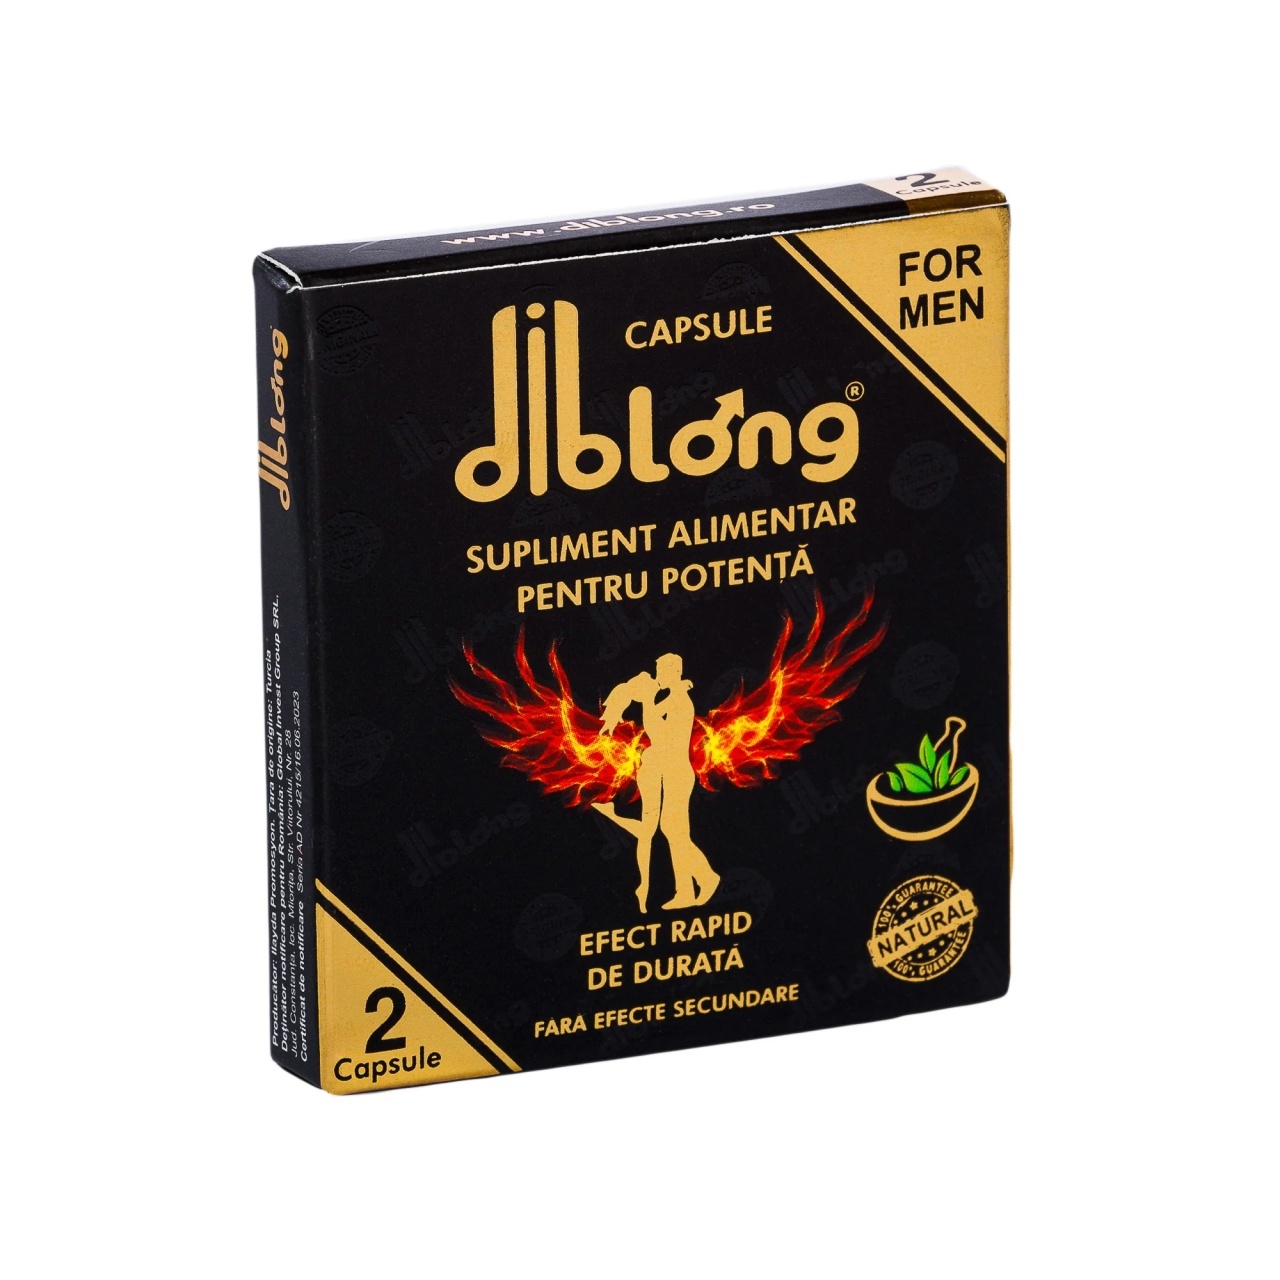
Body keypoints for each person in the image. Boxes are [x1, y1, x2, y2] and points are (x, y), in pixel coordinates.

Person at [593, 653, 720, 913]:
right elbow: (652, 719)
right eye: (657, 670)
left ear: (674, 672)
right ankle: (691, 885)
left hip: (677, 772)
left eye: (661, 671)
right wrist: (636, 694)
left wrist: (649, 700)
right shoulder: (673, 698)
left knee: (675, 830)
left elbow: (659, 734)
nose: (657, 676)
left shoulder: (678, 701)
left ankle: (701, 881)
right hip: (672, 771)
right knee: (673, 830)